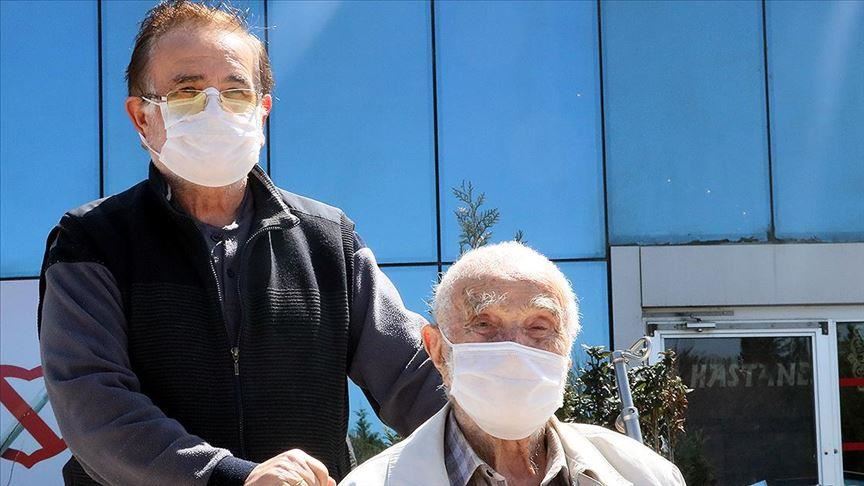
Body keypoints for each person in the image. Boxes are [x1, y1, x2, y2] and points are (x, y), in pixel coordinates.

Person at [37, 1, 445, 485]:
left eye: (235, 92)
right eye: (187, 92)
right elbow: (94, 407)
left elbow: (415, 375)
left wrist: (500, 434)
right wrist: (231, 478)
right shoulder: (91, 240)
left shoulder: (328, 239)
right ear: (142, 117)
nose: (215, 110)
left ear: (262, 111)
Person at [340, 242, 686, 486]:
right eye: (484, 324)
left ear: (566, 354)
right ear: (437, 350)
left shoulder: (649, 477)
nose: (514, 350)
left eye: (539, 327)